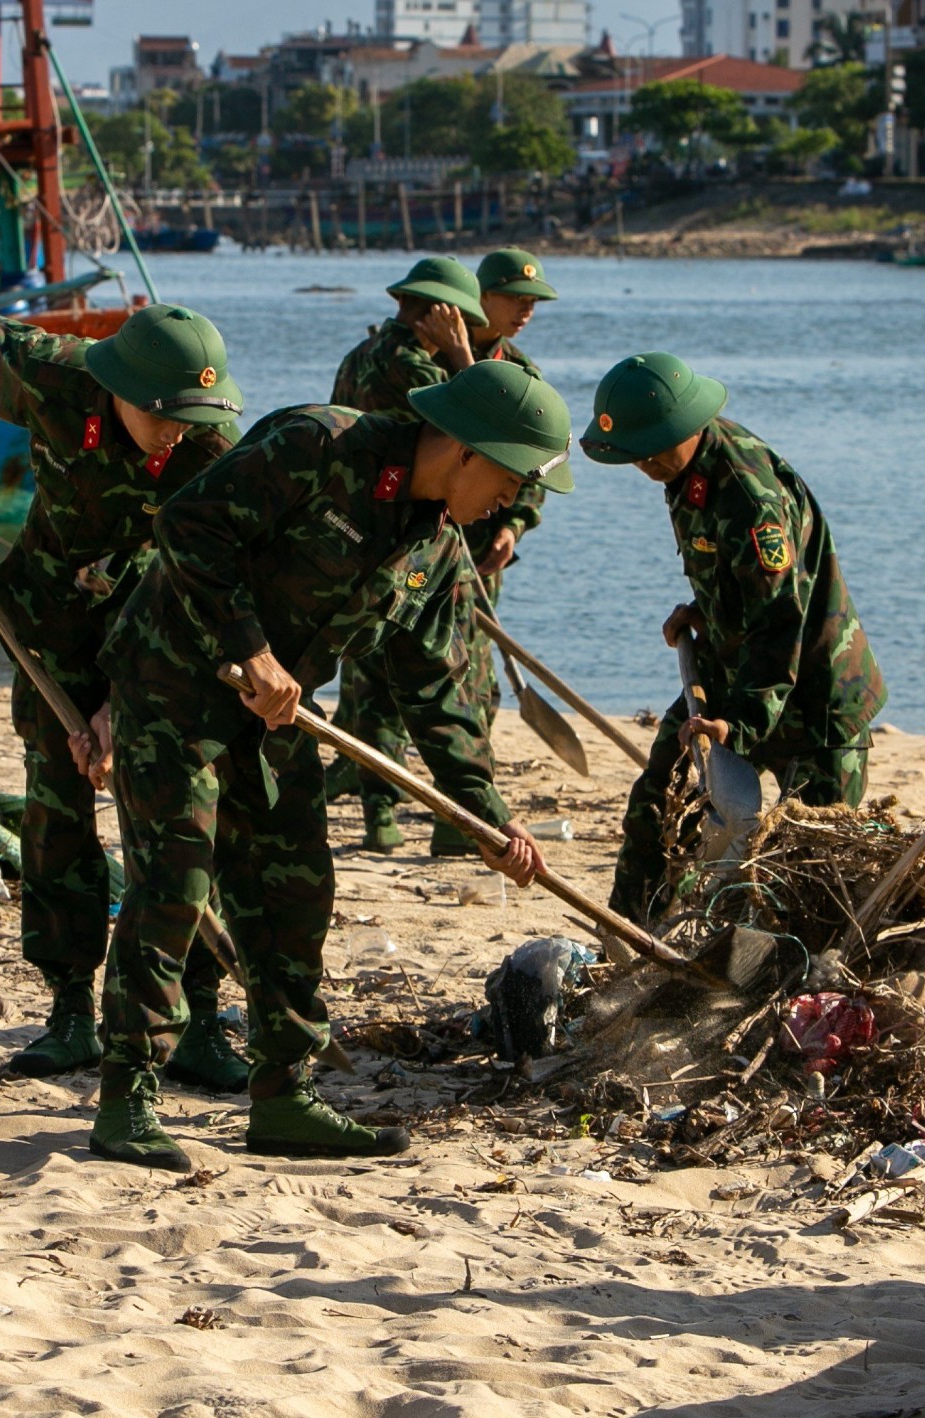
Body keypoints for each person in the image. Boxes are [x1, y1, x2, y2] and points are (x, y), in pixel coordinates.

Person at [91, 359, 570, 1171]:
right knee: (177, 880)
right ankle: (127, 1095)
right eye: (511, 479)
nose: (510, 503)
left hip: (276, 717)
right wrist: (253, 646)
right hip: (177, 679)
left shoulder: (439, 554)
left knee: (297, 887)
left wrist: (485, 818)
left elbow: (439, 699)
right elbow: (188, 525)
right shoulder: (321, 444)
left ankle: (283, 1098)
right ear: (464, 450)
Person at [0, 302, 248, 1089]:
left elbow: (214, 590)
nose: (178, 431)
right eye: (164, 416)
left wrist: (125, 702)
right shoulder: (50, 378)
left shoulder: (214, 452)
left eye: (193, 417)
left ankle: (201, 1016)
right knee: (56, 809)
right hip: (51, 615)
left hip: (162, 624)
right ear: (121, 390)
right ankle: (70, 1010)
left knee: (180, 812)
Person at [579, 353, 885, 923]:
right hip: (732, 668)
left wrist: (737, 726)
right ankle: (629, 940)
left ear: (685, 427)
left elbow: (780, 621)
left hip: (811, 701)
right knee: (659, 803)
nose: (642, 464)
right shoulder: (682, 469)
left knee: (815, 869)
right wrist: (706, 609)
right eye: (633, 454)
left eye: (649, 449)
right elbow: (740, 581)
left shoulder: (750, 499)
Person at [326, 257, 503, 854]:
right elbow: (479, 417)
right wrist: (459, 355)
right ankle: (408, 816)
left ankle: (388, 810)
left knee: (375, 678)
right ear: (436, 313)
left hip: (364, 533)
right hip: (402, 539)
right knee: (432, 674)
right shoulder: (410, 366)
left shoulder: (358, 354)